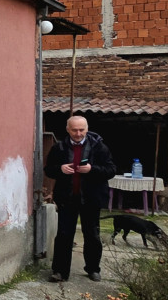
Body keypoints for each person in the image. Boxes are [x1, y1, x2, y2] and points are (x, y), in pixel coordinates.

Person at [44, 115, 115, 282]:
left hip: (91, 198)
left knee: (92, 234)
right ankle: (60, 271)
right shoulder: (59, 147)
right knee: (64, 235)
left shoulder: (99, 147)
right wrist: (60, 169)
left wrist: (92, 169)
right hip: (67, 197)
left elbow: (111, 170)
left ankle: (93, 269)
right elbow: (48, 170)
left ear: (87, 129)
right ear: (68, 130)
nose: (78, 133)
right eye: (74, 130)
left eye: (81, 130)